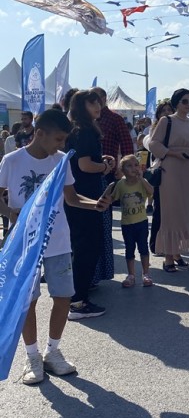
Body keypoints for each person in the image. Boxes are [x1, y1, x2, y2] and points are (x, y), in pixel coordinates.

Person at [0, 109, 112, 384]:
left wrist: (94, 205)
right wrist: (10, 211)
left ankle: (53, 352)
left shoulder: (61, 160)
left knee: (63, 298)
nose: (62, 146)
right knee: (28, 301)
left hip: (59, 241)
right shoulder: (12, 161)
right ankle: (32, 357)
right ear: (40, 134)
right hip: (24, 246)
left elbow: (71, 198)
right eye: (59, 139)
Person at [64, 89, 117, 320]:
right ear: (80, 106)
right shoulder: (84, 130)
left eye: (98, 102)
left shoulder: (78, 129)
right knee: (87, 248)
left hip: (79, 195)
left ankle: (76, 298)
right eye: (92, 103)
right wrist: (104, 167)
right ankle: (77, 302)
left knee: (82, 247)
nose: (98, 106)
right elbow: (85, 165)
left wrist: (101, 162)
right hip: (85, 197)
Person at [148, 89, 189, 273]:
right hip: (171, 168)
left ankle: (178, 253)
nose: (188, 104)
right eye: (184, 101)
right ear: (176, 103)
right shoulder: (167, 120)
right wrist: (173, 153)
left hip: (188, 169)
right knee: (171, 211)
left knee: (187, 210)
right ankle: (168, 257)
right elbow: (153, 143)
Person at [92, 87, 134, 286]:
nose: (95, 103)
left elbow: (127, 146)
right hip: (87, 176)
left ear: (104, 99)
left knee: (104, 222)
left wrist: (123, 169)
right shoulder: (86, 121)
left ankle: (103, 271)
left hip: (108, 176)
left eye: (97, 98)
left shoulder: (114, 119)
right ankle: (92, 272)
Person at [110, 154, 155, 287]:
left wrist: (142, 179)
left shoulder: (142, 182)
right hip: (127, 223)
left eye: (136, 165)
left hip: (141, 222)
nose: (134, 168)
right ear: (123, 170)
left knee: (143, 248)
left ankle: (146, 274)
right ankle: (131, 275)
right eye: (129, 166)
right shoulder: (121, 185)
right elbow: (113, 198)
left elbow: (151, 191)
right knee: (129, 249)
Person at [143, 100, 174, 255]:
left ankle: (173, 247)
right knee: (159, 210)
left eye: (169, 109)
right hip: (160, 173)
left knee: (173, 212)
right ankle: (155, 244)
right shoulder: (154, 129)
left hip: (176, 174)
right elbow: (152, 147)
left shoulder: (178, 126)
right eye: (164, 110)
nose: (167, 112)